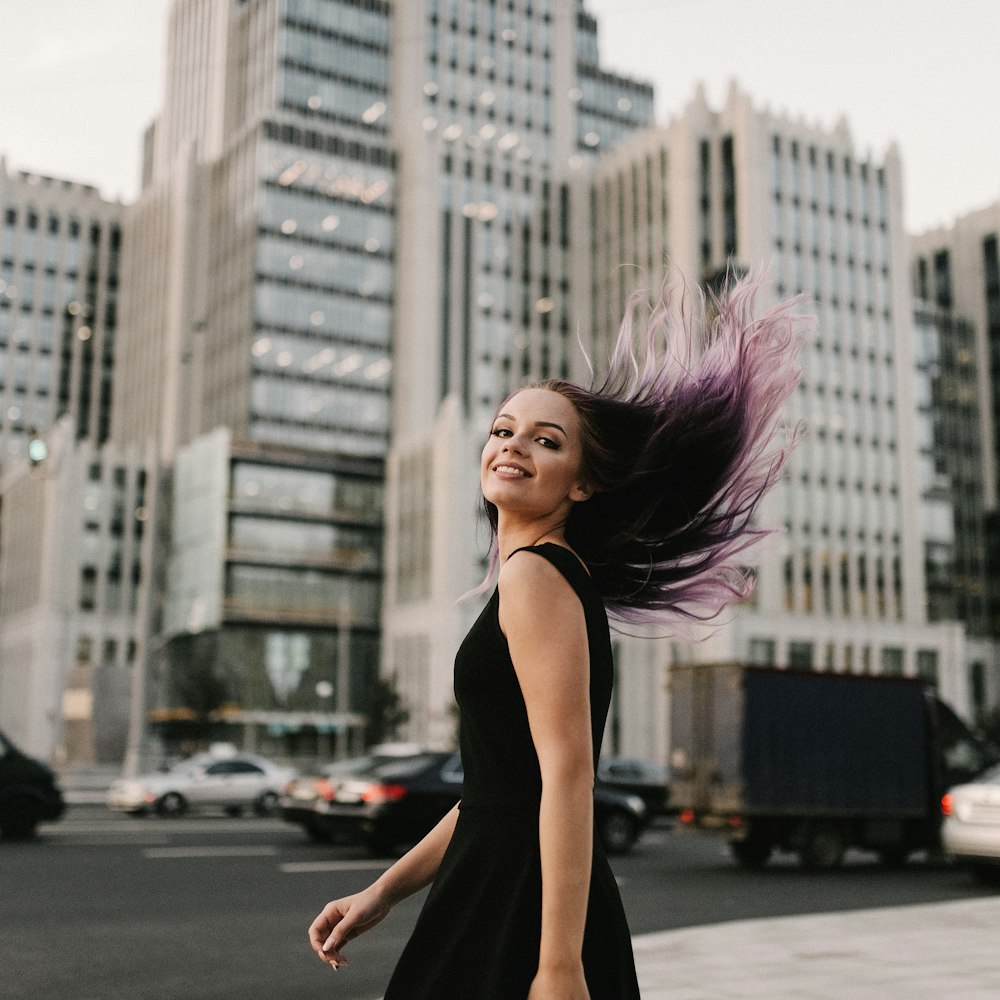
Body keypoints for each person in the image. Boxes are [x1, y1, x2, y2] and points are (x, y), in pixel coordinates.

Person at [308, 274, 809, 999]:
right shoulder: (538, 577)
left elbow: (570, 774)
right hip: (493, 885)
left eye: (546, 440)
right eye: (503, 430)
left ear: (581, 484)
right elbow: (497, 791)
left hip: (519, 902)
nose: (512, 446)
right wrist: (383, 894)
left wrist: (558, 966)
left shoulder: (538, 578)